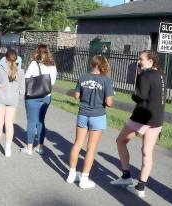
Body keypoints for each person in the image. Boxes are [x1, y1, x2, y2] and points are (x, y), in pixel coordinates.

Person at [110, 50, 166, 198]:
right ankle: (140, 188)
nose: (138, 62)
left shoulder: (144, 75)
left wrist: (133, 95)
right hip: (157, 119)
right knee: (147, 152)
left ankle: (126, 176)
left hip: (141, 118)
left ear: (151, 61)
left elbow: (140, 97)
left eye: (141, 59)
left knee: (120, 141)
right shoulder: (162, 75)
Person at [66, 55, 114, 189]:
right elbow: (109, 103)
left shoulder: (83, 77)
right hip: (97, 116)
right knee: (91, 148)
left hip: (83, 113)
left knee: (77, 144)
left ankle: (71, 174)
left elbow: (76, 96)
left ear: (92, 64)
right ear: (102, 65)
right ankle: (84, 178)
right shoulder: (106, 80)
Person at [0, 49, 25, 157]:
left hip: (0, 98)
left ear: (5, 58)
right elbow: (23, 90)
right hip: (13, 100)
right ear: (16, 59)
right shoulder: (20, 71)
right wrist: (16, 98)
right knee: (9, 124)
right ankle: (8, 150)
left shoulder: (0, 68)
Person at [21, 45, 57, 155]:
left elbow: (26, 78)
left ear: (37, 53)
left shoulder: (33, 64)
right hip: (46, 95)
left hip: (33, 95)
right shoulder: (53, 66)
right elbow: (52, 83)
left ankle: (29, 147)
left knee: (32, 121)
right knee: (41, 121)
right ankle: (40, 147)